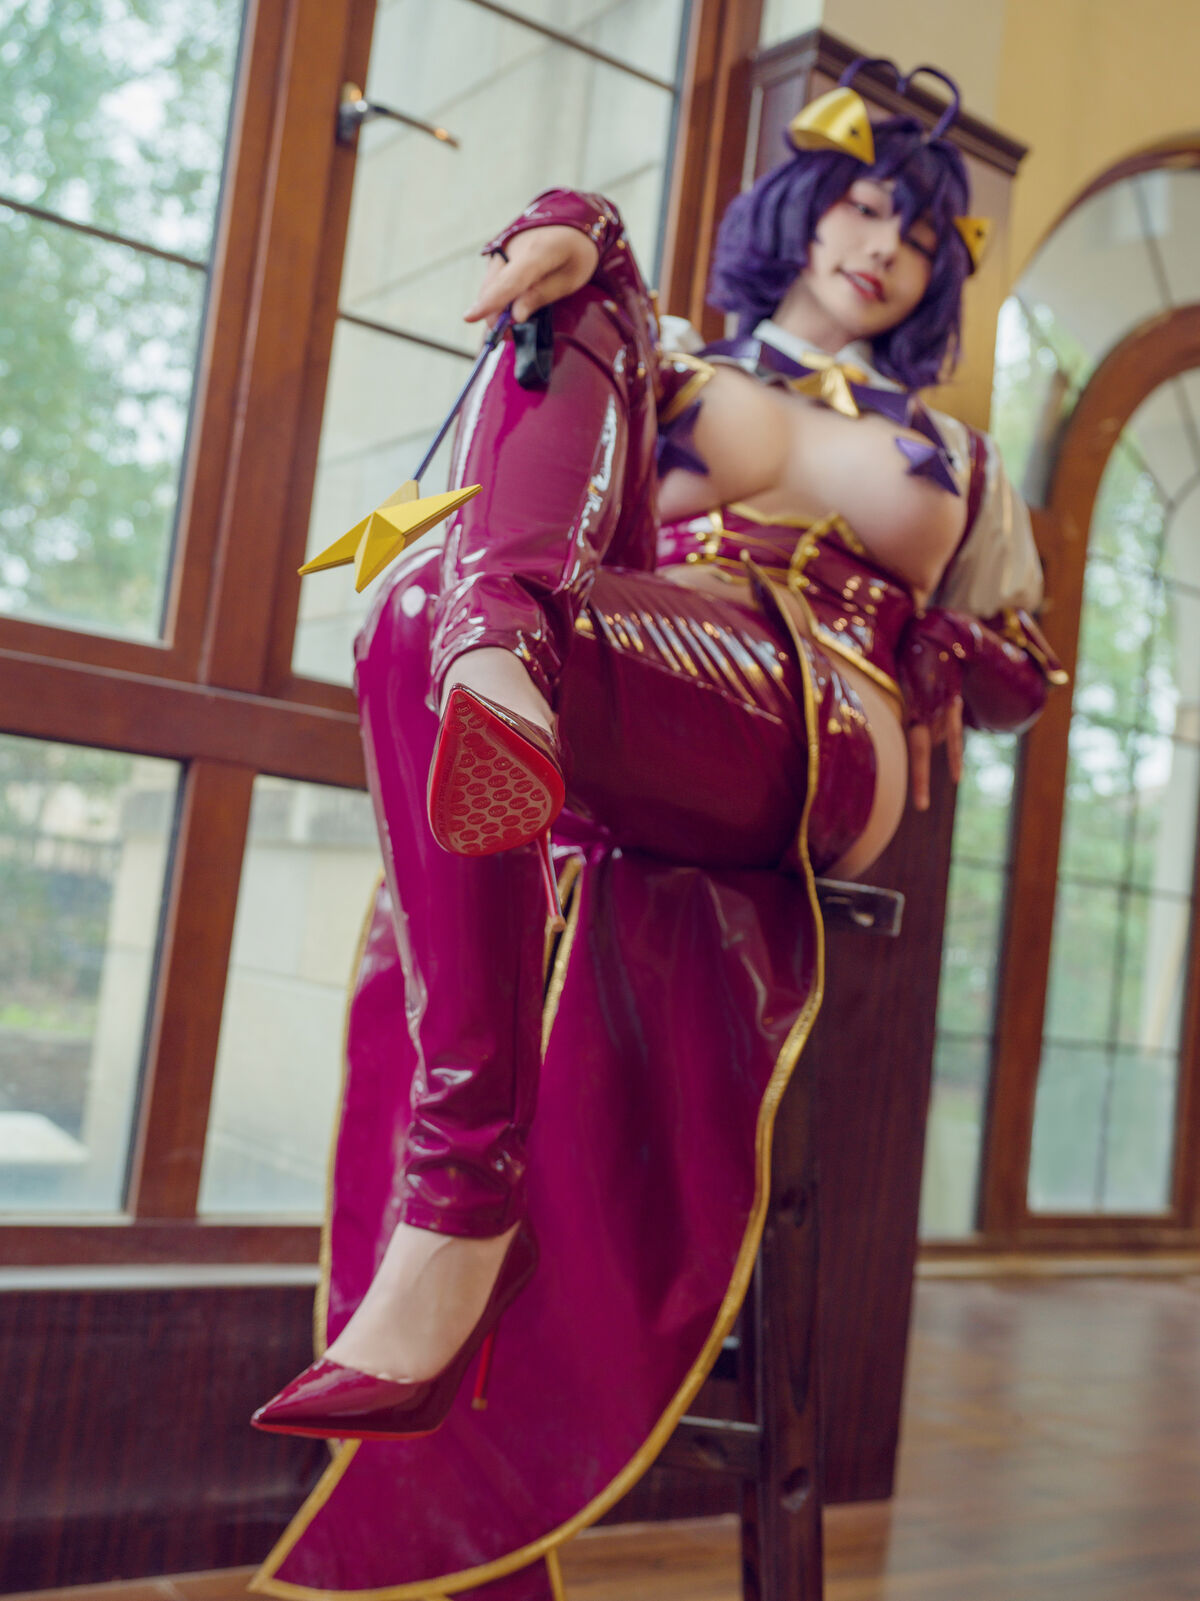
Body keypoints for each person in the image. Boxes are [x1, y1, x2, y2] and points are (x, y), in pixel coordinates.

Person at [250, 61, 1063, 1601]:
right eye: (863, 207)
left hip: (823, 725)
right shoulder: (677, 358)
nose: (883, 248)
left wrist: (960, 651)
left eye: (920, 238)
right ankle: (464, 1180)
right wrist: (574, 230)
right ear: (801, 209)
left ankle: (462, 1196)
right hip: (633, 657)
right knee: (417, 603)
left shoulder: (957, 460)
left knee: (450, 615)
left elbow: (1020, 679)